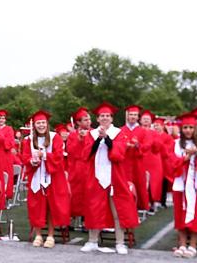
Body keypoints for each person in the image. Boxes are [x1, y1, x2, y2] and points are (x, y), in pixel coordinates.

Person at [80, 103, 138, 255]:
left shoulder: (118, 133)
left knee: (117, 209)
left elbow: (118, 154)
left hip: (115, 176)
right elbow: (86, 153)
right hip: (95, 176)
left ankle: (120, 242)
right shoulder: (91, 134)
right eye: (101, 116)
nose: (104, 118)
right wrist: (99, 139)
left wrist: (106, 139)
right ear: (97, 119)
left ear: (111, 118)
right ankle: (92, 241)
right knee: (94, 208)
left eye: (107, 116)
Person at [167, 114, 197, 258]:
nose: (188, 130)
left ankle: (193, 245)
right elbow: (171, 163)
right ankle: (182, 244)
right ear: (181, 129)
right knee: (180, 214)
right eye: (185, 128)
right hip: (181, 185)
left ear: (195, 128)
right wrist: (185, 159)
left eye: (190, 127)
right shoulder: (176, 144)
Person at [21, 111, 69, 248]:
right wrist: (32, 161)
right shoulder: (28, 140)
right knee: (36, 206)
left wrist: (45, 155)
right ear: (34, 125)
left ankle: (50, 235)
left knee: (51, 207)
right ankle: (38, 235)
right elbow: (24, 157)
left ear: (47, 124)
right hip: (36, 177)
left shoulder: (56, 138)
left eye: (43, 122)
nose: (41, 125)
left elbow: (59, 157)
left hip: (53, 177)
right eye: (38, 123)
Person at [66, 107, 93, 229]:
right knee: (75, 194)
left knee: (88, 195)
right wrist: (80, 139)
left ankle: (85, 220)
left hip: (89, 167)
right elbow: (71, 151)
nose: (88, 121)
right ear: (78, 122)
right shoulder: (72, 135)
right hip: (76, 168)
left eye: (89, 119)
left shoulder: (94, 132)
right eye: (85, 119)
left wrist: (86, 138)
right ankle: (71, 219)